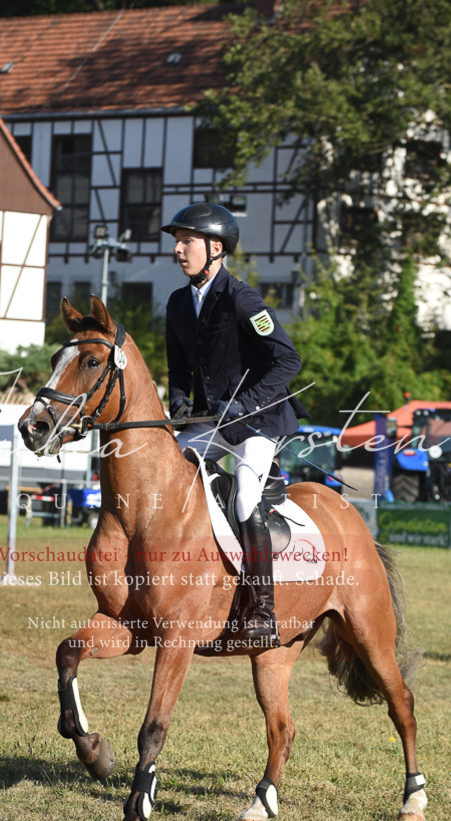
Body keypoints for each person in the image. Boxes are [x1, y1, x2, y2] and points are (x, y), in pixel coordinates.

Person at [162, 202, 305, 644]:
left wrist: (243, 404)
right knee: (168, 469)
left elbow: (288, 361)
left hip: (259, 422)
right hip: (213, 424)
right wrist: (181, 402)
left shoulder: (242, 299)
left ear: (216, 247)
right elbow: (179, 371)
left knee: (244, 497)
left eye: (187, 241)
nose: (179, 250)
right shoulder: (178, 303)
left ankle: (262, 612)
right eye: (177, 241)